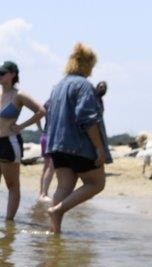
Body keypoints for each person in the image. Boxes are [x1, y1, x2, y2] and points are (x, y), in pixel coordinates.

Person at [44, 44, 111, 233]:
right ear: (88, 64)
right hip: (79, 146)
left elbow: (47, 110)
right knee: (96, 183)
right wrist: (99, 148)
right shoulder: (84, 86)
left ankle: (54, 232)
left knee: (64, 187)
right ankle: (57, 210)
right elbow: (87, 118)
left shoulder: (58, 86)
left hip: (57, 145)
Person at [0, 61, 45, 221]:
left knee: (12, 186)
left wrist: (21, 126)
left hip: (9, 143)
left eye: (2, 73)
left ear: (12, 75)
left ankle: (9, 223)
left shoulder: (19, 95)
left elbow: (41, 111)